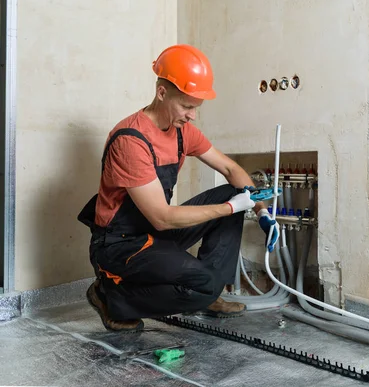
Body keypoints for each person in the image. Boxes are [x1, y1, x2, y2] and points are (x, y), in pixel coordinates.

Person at [77, 44, 280, 332]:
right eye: (186, 106)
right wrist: (231, 208)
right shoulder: (131, 141)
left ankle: (210, 293)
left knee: (232, 191)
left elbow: (231, 170)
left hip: (154, 231)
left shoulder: (183, 132)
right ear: (162, 93)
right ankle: (111, 296)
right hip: (121, 243)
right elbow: (162, 216)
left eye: (196, 107)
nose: (192, 115)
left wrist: (260, 211)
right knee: (225, 217)